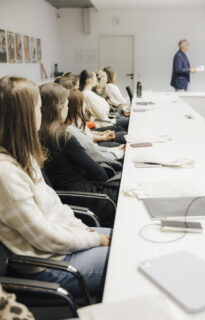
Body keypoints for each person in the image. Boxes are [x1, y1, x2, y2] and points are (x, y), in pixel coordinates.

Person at [0, 75, 111, 301]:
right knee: (129, 260)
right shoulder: (6, 173)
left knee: (127, 239)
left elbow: (54, 206)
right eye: (39, 108)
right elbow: (44, 238)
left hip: (62, 243)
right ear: (25, 116)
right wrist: (92, 239)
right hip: (49, 264)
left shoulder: (24, 155)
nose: (42, 113)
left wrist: (82, 229)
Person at [39, 83, 120, 226]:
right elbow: (100, 175)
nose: (68, 108)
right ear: (59, 108)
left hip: (68, 199)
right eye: (66, 105)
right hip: (88, 198)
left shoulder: (38, 137)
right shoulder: (63, 138)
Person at [65, 89, 125, 161]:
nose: (86, 106)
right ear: (78, 107)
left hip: (95, 147)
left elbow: (88, 134)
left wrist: (101, 134)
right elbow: (92, 149)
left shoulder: (78, 120)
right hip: (95, 149)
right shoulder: (72, 128)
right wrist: (103, 138)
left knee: (120, 134)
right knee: (121, 136)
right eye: (84, 103)